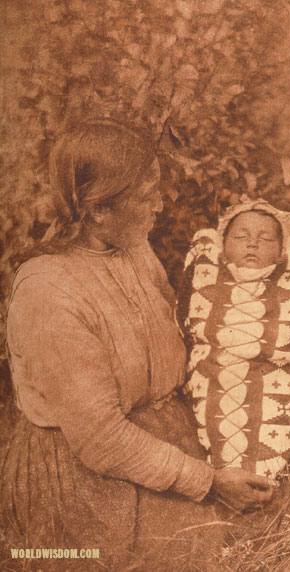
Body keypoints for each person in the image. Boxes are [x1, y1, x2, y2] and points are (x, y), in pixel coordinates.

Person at [0, 119, 274, 571]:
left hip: (161, 441)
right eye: (148, 197)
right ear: (99, 209)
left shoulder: (132, 248)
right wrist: (206, 480)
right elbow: (102, 438)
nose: (160, 207)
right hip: (88, 477)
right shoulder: (49, 291)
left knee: (273, 527)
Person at [176, 199, 290, 507]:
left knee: (275, 457)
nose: (252, 243)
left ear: (281, 251)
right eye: (240, 236)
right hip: (212, 380)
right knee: (211, 446)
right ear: (223, 246)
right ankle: (219, 510)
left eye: (266, 238)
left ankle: (273, 512)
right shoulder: (205, 281)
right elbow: (189, 335)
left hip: (272, 385)